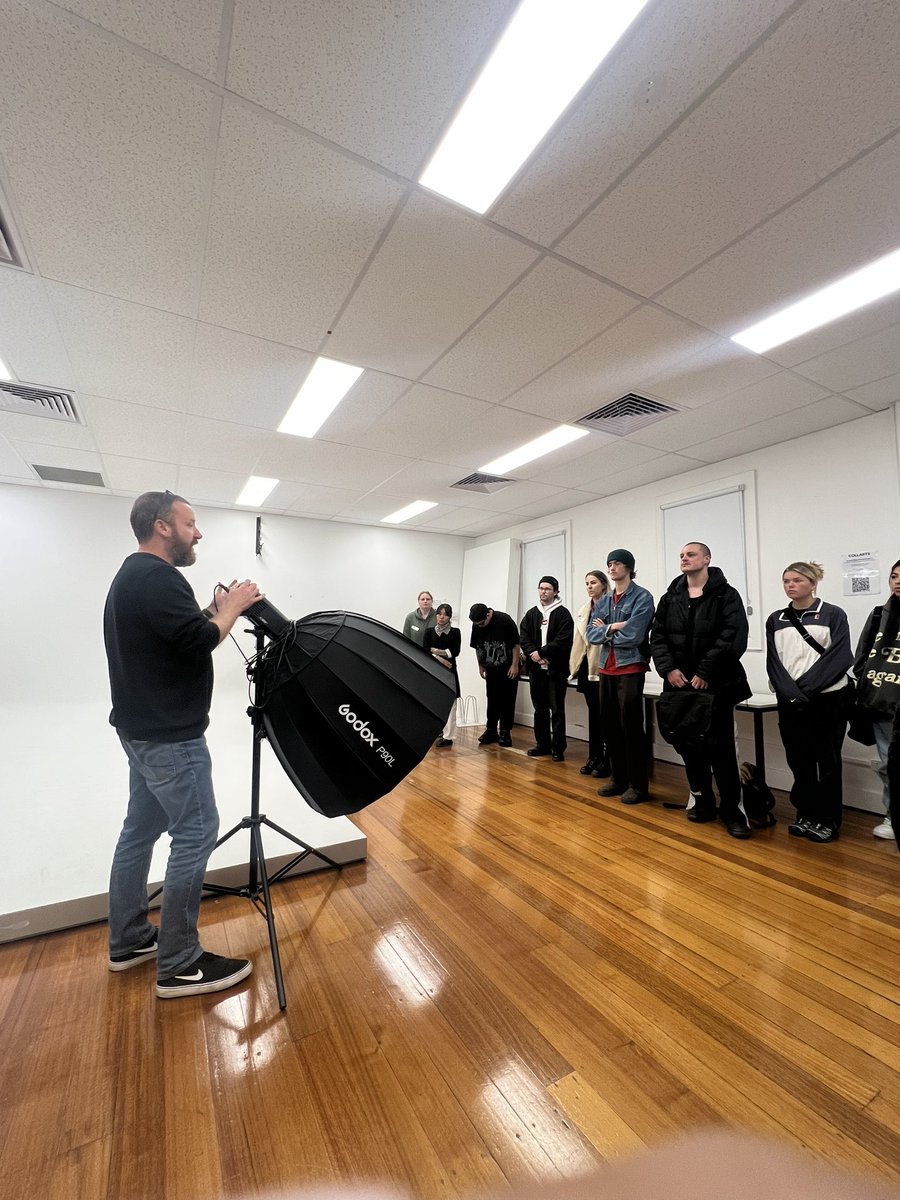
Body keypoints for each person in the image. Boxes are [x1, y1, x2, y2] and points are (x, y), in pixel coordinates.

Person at [104, 490, 264, 999]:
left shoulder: (132, 577)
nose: (199, 533)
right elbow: (197, 642)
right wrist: (233, 609)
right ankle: (180, 962)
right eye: (190, 524)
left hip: (140, 733)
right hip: (170, 739)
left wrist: (212, 609)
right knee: (196, 833)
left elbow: (176, 634)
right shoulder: (159, 577)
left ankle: (129, 939)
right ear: (163, 526)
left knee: (140, 830)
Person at [651, 542, 751, 838]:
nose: (684, 558)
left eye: (691, 554)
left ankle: (732, 810)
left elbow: (733, 636)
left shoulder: (727, 595)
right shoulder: (670, 598)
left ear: (707, 559)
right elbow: (658, 637)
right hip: (679, 686)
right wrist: (669, 669)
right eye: (681, 555)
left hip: (716, 686)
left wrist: (706, 672)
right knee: (689, 747)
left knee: (720, 751)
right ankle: (703, 800)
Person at [766, 561, 852, 843]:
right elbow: (774, 663)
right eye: (786, 581)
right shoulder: (776, 619)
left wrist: (803, 689)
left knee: (826, 761)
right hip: (791, 701)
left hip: (827, 699)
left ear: (813, 584)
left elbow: (839, 658)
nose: (790, 585)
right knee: (798, 759)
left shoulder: (833, 614)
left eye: (797, 580)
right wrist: (789, 692)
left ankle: (827, 820)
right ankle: (805, 813)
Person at [587, 550, 655, 804]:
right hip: (606, 668)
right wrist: (615, 626)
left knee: (632, 728)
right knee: (610, 727)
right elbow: (590, 635)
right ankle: (619, 779)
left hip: (631, 668)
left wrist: (604, 629)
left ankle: (638, 785)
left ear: (628, 567)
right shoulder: (603, 601)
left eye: (616, 564)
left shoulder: (642, 597)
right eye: (609, 564)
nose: (611, 568)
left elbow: (635, 635)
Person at [853, 558, 900, 840]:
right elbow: (862, 658)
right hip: (884, 702)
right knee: (888, 763)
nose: (898, 581)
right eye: (894, 576)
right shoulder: (878, 615)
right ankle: (893, 816)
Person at [519, 576, 575, 761]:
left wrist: (542, 653)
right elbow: (524, 636)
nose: (543, 591)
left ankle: (558, 748)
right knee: (539, 709)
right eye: (541, 588)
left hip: (555, 670)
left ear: (556, 592)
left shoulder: (563, 614)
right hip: (536, 670)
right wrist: (533, 654)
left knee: (557, 709)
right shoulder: (532, 613)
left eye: (548, 589)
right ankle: (542, 744)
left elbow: (564, 640)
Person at [569, 570, 611, 777]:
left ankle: (608, 759)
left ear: (603, 584)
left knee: (607, 716)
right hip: (587, 667)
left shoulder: (612, 605)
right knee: (594, 715)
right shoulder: (585, 609)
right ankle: (594, 756)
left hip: (604, 666)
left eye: (593, 582)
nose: (589, 587)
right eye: (586, 583)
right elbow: (579, 641)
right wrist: (573, 667)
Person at [469, 603, 521, 747]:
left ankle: (505, 731)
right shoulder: (476, 624)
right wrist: (480, 665)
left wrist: (515, 665)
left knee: (507, 699)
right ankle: (491, 730)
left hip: (507, 667)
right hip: (490, 668)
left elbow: (515, 644)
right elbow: (477, 646)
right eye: (476, 624)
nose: (479, 626)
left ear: (487, 615)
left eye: (481, 623)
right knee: (492, 698)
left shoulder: (504, 620)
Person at [423, 603, 461, 748]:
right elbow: (425, 650)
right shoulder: (429, 631)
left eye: (445, 614)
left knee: (451, 704)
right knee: (433, 701)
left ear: (449, 617)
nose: (441, 617)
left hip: (450, 672)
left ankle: (449, 736)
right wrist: (442, 656)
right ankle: (436, 731)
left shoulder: (455, 632)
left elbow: (455, 652)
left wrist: (434, 651)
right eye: (439, 614)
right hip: (434, 670)